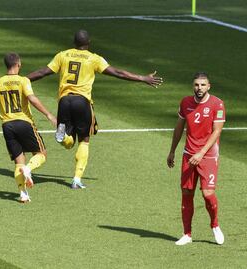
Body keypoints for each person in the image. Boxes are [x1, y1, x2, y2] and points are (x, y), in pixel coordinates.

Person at [27, 29, 163, 189]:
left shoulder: (63, 55)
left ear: (74, 43)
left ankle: (63, 137)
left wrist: (21, 79)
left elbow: (43, 72)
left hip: (64, 101)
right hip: (82, 102)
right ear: (89, 43)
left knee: (68, 141)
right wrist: (142, 78)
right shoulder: (93, 58)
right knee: (84, 140)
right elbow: (118, 72)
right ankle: (76, 179)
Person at [0, 52, 57, 202]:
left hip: (7, 126)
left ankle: (23, 194)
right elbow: (32, 99)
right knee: (41, 153)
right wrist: (49, 115)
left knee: (19, 160)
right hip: (24, 123)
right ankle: (28, 169)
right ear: (18, 64)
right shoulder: (23, 81)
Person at [167, 72, 225, 246]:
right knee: (186, 193)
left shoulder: (217, 104)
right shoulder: (185, 102)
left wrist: (201, 153)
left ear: (209, 86)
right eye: (196, 85)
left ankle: (215, 225)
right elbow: (179, 128)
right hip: (188, 154)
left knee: (208, 194)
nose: (199, 88)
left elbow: (217, 131)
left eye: (202, 85)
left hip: (208, 155)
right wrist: (172, 151)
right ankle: (187, 234)